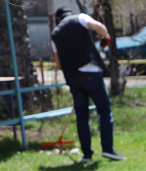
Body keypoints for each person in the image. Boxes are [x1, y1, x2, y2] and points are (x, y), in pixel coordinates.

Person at [51, 6, 125, 162]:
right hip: (91, 73)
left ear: (58, 19)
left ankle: (86, 154)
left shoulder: (55, 34)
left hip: (73, 78)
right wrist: (106, 36)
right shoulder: (80, 18)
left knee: (82, 116)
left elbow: (58, 65)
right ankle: (107, 149)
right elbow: (98, 27)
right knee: (104, 111)